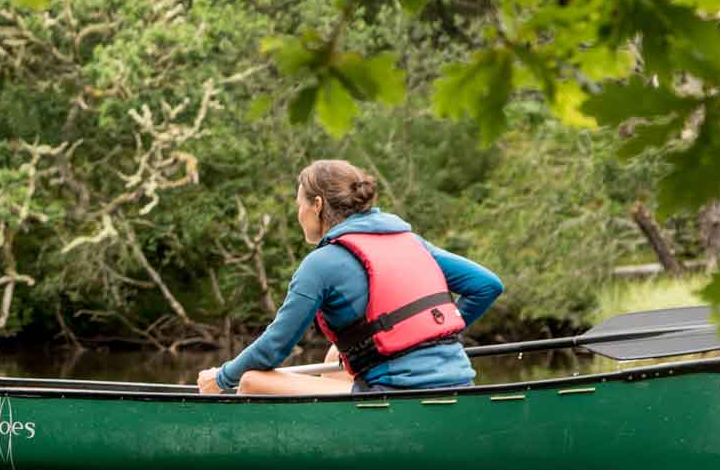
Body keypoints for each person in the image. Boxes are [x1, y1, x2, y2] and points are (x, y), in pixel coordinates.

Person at [196, 160, 502, 396]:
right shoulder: (411, 241)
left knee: (251, 380)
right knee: (336, 353)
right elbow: (486, 286)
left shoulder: (320, 264)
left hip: (397, 395)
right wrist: (430, 333)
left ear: (317, 206)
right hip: (460, 382)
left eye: (299, 204)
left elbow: (275, 348)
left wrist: (222, 378)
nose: (297, 212)